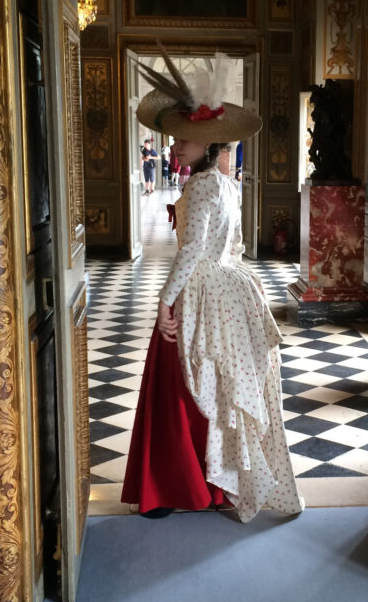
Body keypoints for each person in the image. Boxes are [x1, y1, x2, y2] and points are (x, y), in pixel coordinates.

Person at [121, 50, 303, 522]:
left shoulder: (202, 186)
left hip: (202, 291)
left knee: (184, 382)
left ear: (208, 143)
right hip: (228, 287)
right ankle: (211, 486)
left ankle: (177, 486)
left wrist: (166, 302)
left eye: (184, 138)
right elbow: (235, 246)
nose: (175, 145)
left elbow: (192, 251)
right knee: (217, 385)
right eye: (176, 137)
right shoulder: (223, 183)